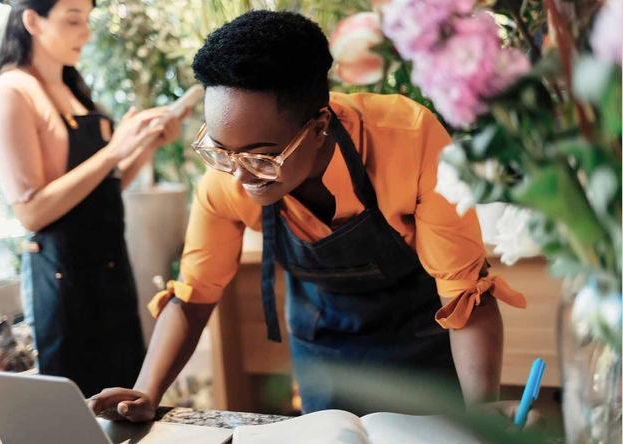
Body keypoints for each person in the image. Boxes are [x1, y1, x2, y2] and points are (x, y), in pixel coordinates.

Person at [88, 10, 528, 419]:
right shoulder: (228, 175)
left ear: (318, 126)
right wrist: (146, 392)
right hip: (324, 351)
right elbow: (192, 297)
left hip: (421, 342)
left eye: (263, 158)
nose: (240, 175)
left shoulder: (408, 140)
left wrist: (480, 413)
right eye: (221, 151)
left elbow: (466, 295)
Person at [0, 0, 188, 396]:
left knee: (126, 395)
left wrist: (148, 146)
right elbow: (32, 211)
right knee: (82, 404)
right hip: (64, 281)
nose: (87, 33)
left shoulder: (72, 90)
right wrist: (112, 152)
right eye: (73, 20)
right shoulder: (12, 92)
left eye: (87, 20)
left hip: (111, 271)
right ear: (32, 21)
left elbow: (101, 190)